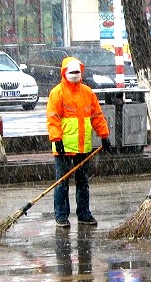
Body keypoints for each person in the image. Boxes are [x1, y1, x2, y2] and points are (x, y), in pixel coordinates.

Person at [47, 56, 111, 228]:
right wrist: (56, 139)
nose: (75, 75)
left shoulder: (87, 92)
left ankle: (84, 214)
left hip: (83, 146)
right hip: (64, 146)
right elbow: (53, 118)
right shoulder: (57, 93)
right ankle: (61, 216)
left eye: (77, 72)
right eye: (71, 72)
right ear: (64, 73)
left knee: (83, 183)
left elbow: (97, 116)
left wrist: (104, 135)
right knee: (62, 183)